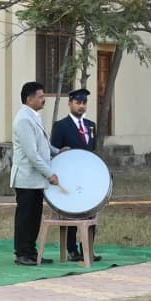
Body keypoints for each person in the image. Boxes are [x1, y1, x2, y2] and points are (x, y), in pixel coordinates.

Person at [8, 81, 60, 266]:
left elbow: (42, 143)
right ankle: (22, 253)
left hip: (36, 180)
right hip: (26, 178)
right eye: (40, 96)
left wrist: (57, 151)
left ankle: (31, 252)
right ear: (29, 99)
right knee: (25, 217)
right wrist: (49, 173)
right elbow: (32, 153)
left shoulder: (34, 116)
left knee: (34, 217)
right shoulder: (23, 119)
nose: (43, 99)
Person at [51, 86, 98, 262]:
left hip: (87, 176)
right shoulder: (61, 126)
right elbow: (54, 152)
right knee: (72, 214)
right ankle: (71, 250)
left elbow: (93, 151)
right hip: (69, 176)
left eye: (84, 103)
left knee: (91, 211)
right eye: (78, 102)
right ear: (70, 103)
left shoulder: (90, 126)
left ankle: (89, 249)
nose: (81, 106)